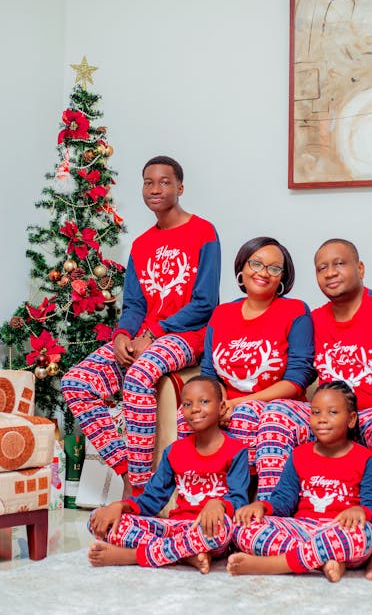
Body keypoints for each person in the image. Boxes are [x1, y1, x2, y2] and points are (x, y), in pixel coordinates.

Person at [256, 238, 372, 581]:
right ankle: (271, 522)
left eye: (339, 264)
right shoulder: (313, 319)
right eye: (322, 268)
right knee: (277, 413)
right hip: (330, 416)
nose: (330, 273)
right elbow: (300, 371)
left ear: (360, 268)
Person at [62, 156, 221, 496]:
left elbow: (205, 302)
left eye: (164, 182)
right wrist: (122, 335)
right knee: (76, 382)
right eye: (148, 182)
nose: (155, 188)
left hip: (186, 336)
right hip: (144, 336)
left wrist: (154, 333)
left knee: (137, 377)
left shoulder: (203, 232)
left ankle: (140, 487)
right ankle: (126, 470)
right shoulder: (142, 244)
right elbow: (134, 304)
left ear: (180, 187)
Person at [177, 236, 315, 495]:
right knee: (188, 415)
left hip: (278, 405)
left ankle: (266, 508)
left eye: (274, 268)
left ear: (282, 277)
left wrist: (236, 403)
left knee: (246, 414)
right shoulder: (222, 314)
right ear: (242, 268)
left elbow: (298, 379)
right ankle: (197, 502)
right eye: (257, 263)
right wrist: (219, 403)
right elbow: (209, 371)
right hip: (226, 401)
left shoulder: (295, 311)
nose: (264, 273)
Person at [87, 375, 249, 571]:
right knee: (98, 518)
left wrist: (220, 504)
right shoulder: (174, 452)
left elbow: (240, 501)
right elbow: (151, 501)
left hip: (208, 530)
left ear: (222, 407)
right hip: (174, 528)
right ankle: (184, 555)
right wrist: (119, 506)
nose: (195, 409)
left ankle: (134, 555)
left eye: (204, 401)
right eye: (188, 404)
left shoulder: (236, 451)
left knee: (223, 529)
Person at [227, 381, 372, 581]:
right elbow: (283, 501)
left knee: (364, 535)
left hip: (338, 529)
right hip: (300, 529)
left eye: (332, 412)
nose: (322, 419)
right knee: (242, 526)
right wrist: (261, 506)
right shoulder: (299, 455)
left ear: (351, 419)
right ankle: (324, 561)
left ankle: (276, 564)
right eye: (316, 413)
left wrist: (361, 511)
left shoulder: (366, 459)